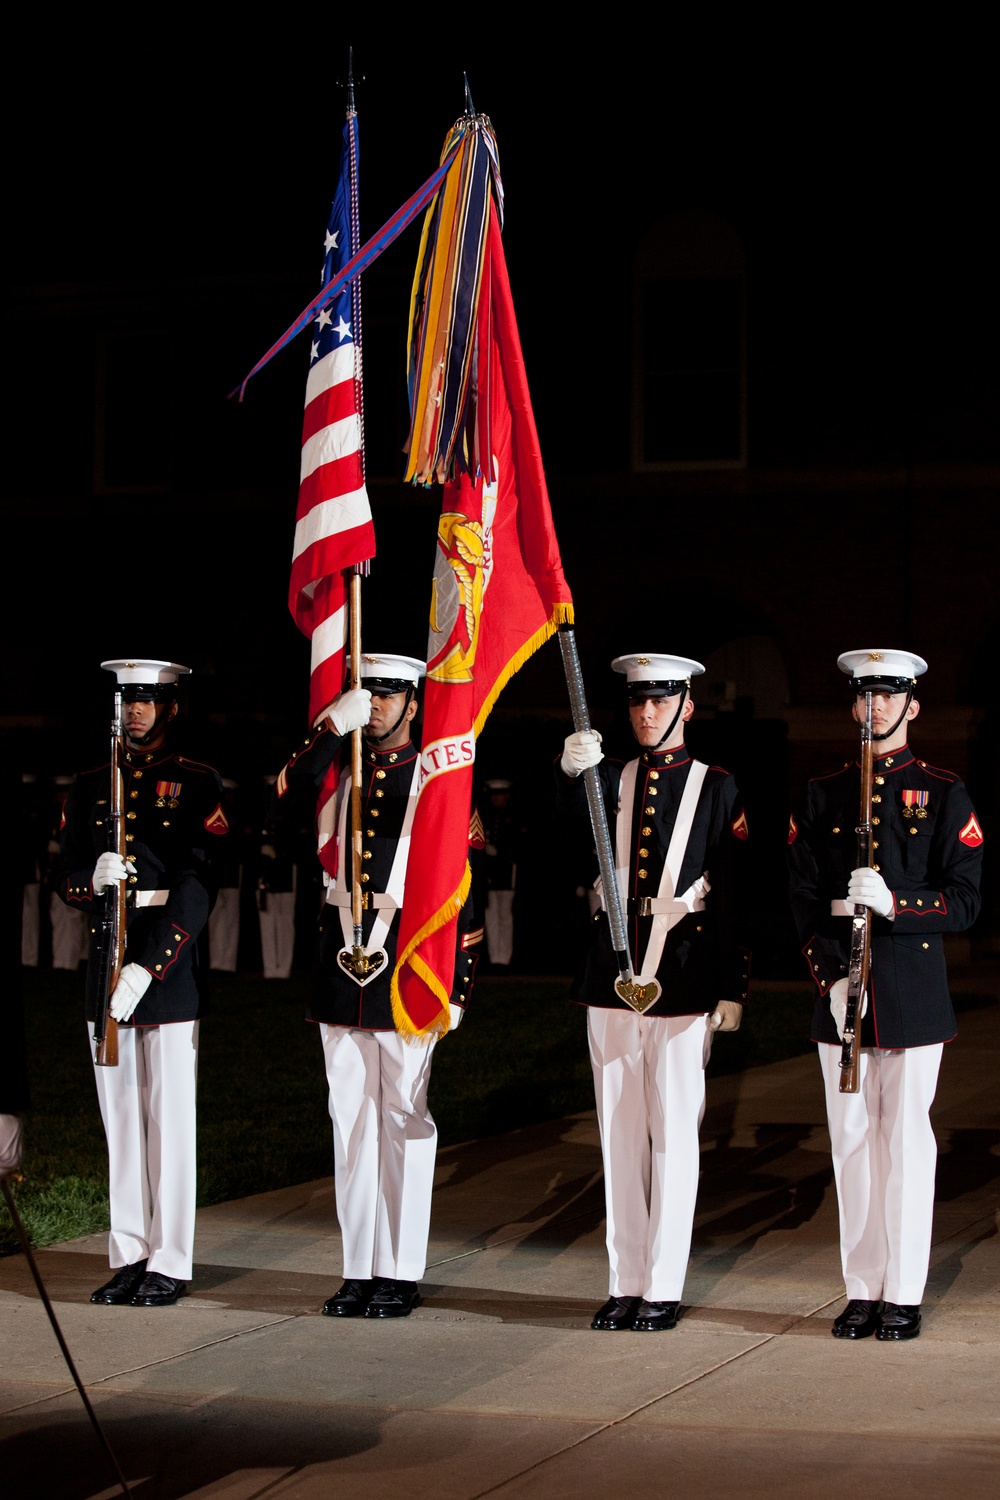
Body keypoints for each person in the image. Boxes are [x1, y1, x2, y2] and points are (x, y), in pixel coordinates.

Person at [270, 653, 481, 1321]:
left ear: (414, 703)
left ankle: (400, 1271)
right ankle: (358, 1268)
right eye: (370, 693)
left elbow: (463, 890)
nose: (380, 705)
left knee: (404, 1122)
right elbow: (282, 803)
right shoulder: (338, 770)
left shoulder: (437, 776)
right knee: (352, 1126)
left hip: (408, 971)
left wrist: (457, 987)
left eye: (390, 694)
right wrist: (331, 729)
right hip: (341, 971)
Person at [789, 648, 983, 1342]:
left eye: (889, 695)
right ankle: (861, 1290)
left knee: (905, 1145)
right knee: (850, 1145)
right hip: (842, 993)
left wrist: (900, 902)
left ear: (912, 705)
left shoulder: (942, 791)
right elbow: (803, 897)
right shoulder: (823, 791)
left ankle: (903, 1293)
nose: (876, 707)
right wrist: (832, 978)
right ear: (853, 705)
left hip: (911, 993)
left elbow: (966, 902)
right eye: (866, 695)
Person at [557, 653, 750, 1332]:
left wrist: (733, 986)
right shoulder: (607, 778)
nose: (647, 713)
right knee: (618, 1137)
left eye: (661, 701)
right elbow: (562, 853)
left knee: (672, 1138)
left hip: (686, 976)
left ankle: (662, 1286)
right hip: (611, 975)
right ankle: (625, 1282)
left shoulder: (717, 787)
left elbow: (734, 896)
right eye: (638, 701)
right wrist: (567, 778)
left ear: (687, 706)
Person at [58, 659, 229, 1308]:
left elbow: (198, 885)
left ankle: (170, 1261)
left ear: (171, 707)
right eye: (127, 699)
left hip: (167, 970)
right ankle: (129, 1254)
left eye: (147, 700)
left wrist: (149, 966)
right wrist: (91, 880)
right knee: (122, 1124)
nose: (134, 710)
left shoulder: (196, 782)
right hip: (106, 960)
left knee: (170, 1124)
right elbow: (65, 874)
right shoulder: (89, 783)